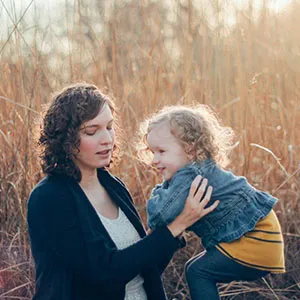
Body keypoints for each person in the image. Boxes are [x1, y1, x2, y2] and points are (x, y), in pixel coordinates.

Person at [26, 83, 219, 300]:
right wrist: (177, 225)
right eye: (92, 131)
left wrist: (180, 219)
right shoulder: (49, 198)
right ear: (66, 139)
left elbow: (146, 268)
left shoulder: (113, 185)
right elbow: (102, 275)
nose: (107, 139)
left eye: (109, 127)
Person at [138, 105, 285, 300]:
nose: (154, 160)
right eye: (152, 151)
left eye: (161, 151)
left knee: (198, 272)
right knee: (192, 267)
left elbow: (159, 216)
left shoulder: (189, 175)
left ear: (190, 150)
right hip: (264, 237)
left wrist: (160, 189)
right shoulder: (199, 169)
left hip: (255, 240)